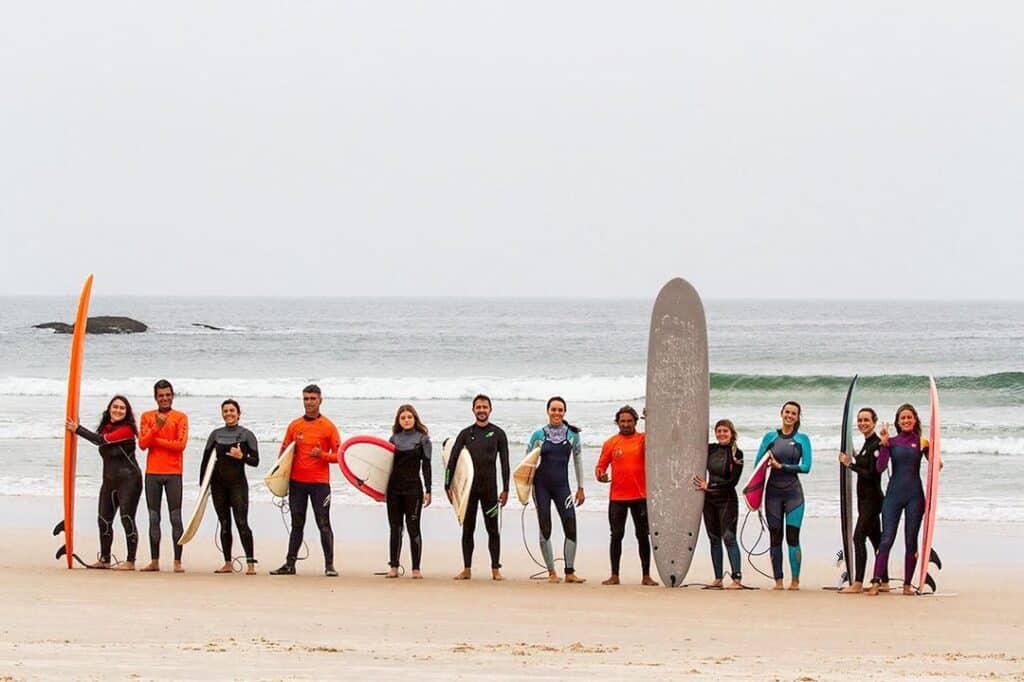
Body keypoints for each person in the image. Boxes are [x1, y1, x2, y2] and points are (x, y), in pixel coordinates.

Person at [270, 384, 342, 577]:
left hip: (320, 484)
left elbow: (340, 456)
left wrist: (322, 456)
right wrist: (279, 480)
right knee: (297, 524)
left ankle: (329, 565)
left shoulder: (328, 427)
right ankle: (289, 564)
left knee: (323, 523)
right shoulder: (295, 426)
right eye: (306, 398)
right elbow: (284, 454)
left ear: (320, 400)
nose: (309, 402)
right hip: (297, 483)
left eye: (312, 398)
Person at [65, 395, 142, 570]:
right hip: (109, 481)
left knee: (126, 518)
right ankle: (105, 559)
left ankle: (130, 561)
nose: (118, 410)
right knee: (103, 520)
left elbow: (100, 440)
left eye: (122, 408)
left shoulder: (127, 430)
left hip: (129, 481)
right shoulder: (106, 428)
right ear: (109, 409)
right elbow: (99, 437)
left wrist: (77, 429)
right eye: (115, 407)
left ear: (127, 412)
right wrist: (77, 427)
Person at [866, 404, 935, 597]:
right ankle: (876, 582)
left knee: (910, 541)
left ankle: (907, 585)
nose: (906, 420)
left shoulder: (922, 442)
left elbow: (935, 466)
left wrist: (936, 458)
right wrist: (884, 445)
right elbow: (880, 468)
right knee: (886, 539)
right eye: (902, 418)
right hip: (893, 496)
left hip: (915, 496)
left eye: (909, 417)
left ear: (915, 420)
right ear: (897, 421)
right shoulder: (891, 441)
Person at [445, 394, 510, 581]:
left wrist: (506, 489)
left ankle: (495, 570)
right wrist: (447, 485)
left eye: (485, 407)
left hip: (490, 489)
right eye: (478, 407)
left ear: (490, 409)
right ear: (473, 410)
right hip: (469, 491)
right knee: (468, 529)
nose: (481, 410)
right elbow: (453, 460)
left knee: (493, 530)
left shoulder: (498, 434)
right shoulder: (465, 434)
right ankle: (466, 569)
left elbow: (505, 463)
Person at [753, 401, 812, 590]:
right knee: (775, 538)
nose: (789, 415)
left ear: (797, 417)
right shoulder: (770, 437)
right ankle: (778, 581)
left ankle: (795, 581)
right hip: (772, 495)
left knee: (793, 538)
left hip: (794, 494)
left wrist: (782, 466)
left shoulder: (803, 439)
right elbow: (757, 466)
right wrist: (753, 495)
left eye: (794, 413)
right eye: (787, 412)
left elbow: (806, 467)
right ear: (781, 413)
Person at [595, 405, 657, 586]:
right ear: (617, 423)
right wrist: (600, 475)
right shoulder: (610, 443)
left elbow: (659, 438)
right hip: (618, 498)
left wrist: (650, 418)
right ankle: (614, 575)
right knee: (616, 535)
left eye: (630, 421)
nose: (626, 424)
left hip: (640, 496)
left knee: (642, 536)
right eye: (623, 421)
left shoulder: (644, 440)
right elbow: (600, 466)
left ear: (636, 422)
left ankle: (646, 575)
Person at [527, 396, 586, 584]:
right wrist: (524, 489)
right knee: (545, 528)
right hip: (540, 486)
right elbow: (527, 464)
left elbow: (577, 461)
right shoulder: (538, 435)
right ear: (548, 411)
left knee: (571, 526)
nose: (557, 413)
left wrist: (581, 487)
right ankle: (552, 572)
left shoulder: (573, 435)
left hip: (563, 487)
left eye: (560, 410)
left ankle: (569, 572)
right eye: (554, 409)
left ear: (564, 412)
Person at [200, 399, 259, 574]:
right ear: (222, 413)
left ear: (239, 413)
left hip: (238, 486)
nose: (229, 414)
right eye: (225, 411)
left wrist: (242, 456)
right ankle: (227, 563)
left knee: (242, 523)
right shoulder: (215, 435)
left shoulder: (247, 435)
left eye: (232, 410)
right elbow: (205, 462)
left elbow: (255, 462)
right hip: (218, 486)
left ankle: (250, 564)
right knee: (224, 524)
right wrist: (203, 487)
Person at [138, 379, 189, 572]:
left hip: (174, 473)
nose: (165, 398)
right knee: (153, 518)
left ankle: (177, 561)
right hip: (152, 473)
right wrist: (157, 428)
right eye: (161, 396)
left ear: (172, 395)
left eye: (168, 395)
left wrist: (156, 440)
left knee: (175, 518)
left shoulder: (181, 417)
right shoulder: (147, 416)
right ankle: (155, 561)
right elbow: (142, 444)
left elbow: (180, 445)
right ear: (155, 397)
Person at [837, 407, 888, 593]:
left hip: (873, 501)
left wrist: (850, 465)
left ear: (874, 422)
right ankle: (884, 581)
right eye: (859, 420)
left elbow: (873, 474)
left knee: (858, 537)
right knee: (876, 540)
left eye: (866, 420)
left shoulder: (876, 445)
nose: (862, 423)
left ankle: (857, 583)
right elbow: (864, 463)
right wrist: (855, 457)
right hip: (864, 500)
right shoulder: (867, 444)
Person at [693, 419, 744, 589]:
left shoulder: (737, 454)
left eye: (725, 431)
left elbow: (733, 481)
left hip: (727, 499)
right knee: (713, 539)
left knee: (729, 538)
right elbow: (690, 442)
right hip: (709, 500)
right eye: (719, 431)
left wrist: (710, 486)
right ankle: (718, 579)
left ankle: (736, 578)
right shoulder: (711, 449)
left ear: (731, 433)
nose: (721, 434)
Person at [386, 404, 432, 579]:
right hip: (393, 489)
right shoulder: (393, 439)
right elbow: (385, 467)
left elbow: (426, 466)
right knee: (395, 528)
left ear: (415, 419)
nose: (406, 420)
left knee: (413, 528)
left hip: (413, 489)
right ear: (399, 420)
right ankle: (394, 567)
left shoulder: (423, 439)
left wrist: (428, 490)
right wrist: (378, 491)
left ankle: (416, 568)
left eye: (409, 417)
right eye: (403, 417)